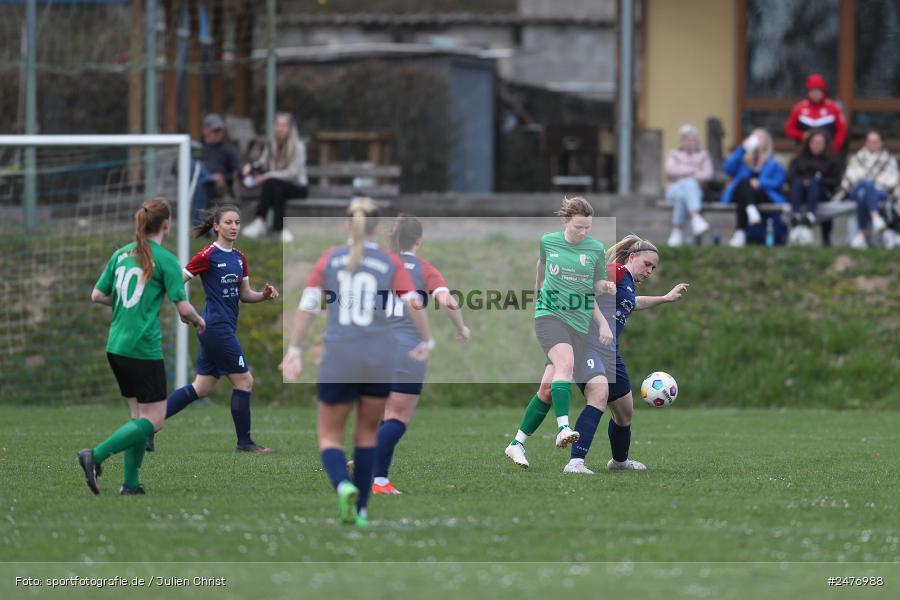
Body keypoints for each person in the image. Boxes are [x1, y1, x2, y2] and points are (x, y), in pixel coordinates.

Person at [279, 198, 434, 527]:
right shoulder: (388, 262)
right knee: (366, 435)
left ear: (347, 225)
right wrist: (427, 340)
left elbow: (307, 307)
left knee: (330, 436)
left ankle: (343, 485)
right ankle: (361, 510)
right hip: (378, 356)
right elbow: (413, 303)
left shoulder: (330, 258)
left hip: (340, 355)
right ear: (377, 229)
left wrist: (293, 350)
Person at [78, 198, 205, 495]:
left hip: (116, 346)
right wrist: (199, 321)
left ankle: (131, 484)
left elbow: (97, 295)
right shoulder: (166, 260)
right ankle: (95, 456)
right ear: (167, 224)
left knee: (139, 417)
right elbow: (184, 309)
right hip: (142, 348)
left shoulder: (121, 254)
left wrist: (126, 305)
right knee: (155, 420)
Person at [504, 196, 615, 469]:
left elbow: (595, 285)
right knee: (565, 364)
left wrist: (605, 288)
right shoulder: (548, 241)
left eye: (588, 227)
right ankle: (563, 427)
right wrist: (537, 290)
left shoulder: (596, 249)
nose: (584, 232)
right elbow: (541, 266)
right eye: (578, 227)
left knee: (546, 389)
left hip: (578, 323)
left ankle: (516, 443)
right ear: (566, 221)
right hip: (549, 316)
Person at [162, 204, 279, 453]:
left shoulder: (239, 257)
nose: (234, 227)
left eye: (237, 222)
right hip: (216, 327)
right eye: (228, 222)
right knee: (245, 381)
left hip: (220, 328)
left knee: (202, 387)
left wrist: (264, 295)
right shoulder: (207, 255)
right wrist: (182, 307)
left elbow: (245, 294)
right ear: (216, 226)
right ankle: (244, 443)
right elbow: (176, 281)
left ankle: (148, 427)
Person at [372, 215, 470, 495]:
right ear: (419, 240)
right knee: (398, 417)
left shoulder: (380, 265)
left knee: (385, 414)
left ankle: (379, 479)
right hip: (407, 349)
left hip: (373, 347)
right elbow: (447, 300)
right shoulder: (424, 268)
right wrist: (462, 327)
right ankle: (371, 467)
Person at [241, 112, 308, 243]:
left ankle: (260, 222)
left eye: (284, 125)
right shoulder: (272, 144)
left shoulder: (299, 146)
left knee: (272, 183)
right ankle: (280, 229)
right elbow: (262, 162)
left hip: (297, 186)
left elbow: (293, 173)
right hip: (277, 186)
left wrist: (267, 176)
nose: (280, 128)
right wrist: (251, 166)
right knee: (276, 188)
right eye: (278, 125)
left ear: (290, 128)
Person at [721, 128, 787, 247]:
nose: (756, 139)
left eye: (760, 137)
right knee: (744, 184)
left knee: (746, 191)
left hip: (763, 194)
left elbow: (778, 181)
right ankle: (751, 209)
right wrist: (742, 149)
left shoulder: (775, 162)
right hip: (741, 194)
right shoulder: (742, 160)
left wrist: (760, 183)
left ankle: (740, 232)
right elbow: (727, 168)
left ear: (767, 142)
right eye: (754, 136)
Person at [834, 130, 899, 249]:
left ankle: (861, 235)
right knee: (866, 185)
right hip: (857, 189)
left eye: (876, 141)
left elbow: (892, 180)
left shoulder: (889, 159)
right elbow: (851, 177)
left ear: (881, 143)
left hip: (879, 192)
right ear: (865, 142)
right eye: (870, 141)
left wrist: (871, 185)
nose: (872, 144)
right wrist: (868, 183)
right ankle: (875, 217)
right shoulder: (857, 158)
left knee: (863, 194)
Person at [665, 124, 713, 247]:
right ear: (682, 140)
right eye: (688, 139)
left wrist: (683, 173)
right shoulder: (674, 154)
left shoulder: (703, 155)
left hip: (695, 192)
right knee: (689, 182)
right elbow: (670, 171)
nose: (691, 142)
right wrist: (693, 171)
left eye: (693, 139)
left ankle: (677, 230)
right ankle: (696, 217)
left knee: (683, 194)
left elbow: (708, 174)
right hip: (673, 189)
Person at [787, 128, 841, 227]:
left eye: (820, 143)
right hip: (800, 193)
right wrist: (804, 182)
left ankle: (810, 215)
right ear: (808, 143)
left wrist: (817, 181)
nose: (816, 145)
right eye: (814, 142)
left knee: (814, 183)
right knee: (798, 182)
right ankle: (796, 214)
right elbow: (790, 178)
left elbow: (835, 181)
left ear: (825, 145)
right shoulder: (798, 160)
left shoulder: (832, 161)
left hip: (822, 194)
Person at [785, 74, 847, 154]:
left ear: (823, 91)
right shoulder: (799, 108)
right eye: (812, 91)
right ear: (808, 91)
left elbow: (842, 130)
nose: (815, 93)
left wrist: (834, 148)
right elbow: (789, 129)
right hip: (805, 152)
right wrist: (802, 135)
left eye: (818, 90)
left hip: (828, 152)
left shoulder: (833, 108)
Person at [200, 113, 241, 201]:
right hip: (199, 183)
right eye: (215, 130)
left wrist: (222, 177)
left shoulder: (228, 150)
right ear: (205, 131)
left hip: (218, 187)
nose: (218, 133)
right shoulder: (198, 147)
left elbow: (237, 172)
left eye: (220, 130)